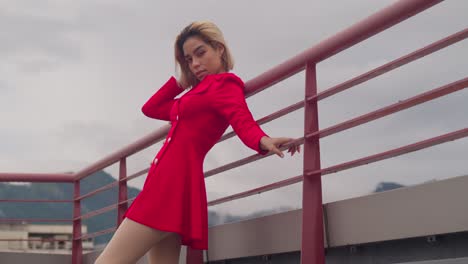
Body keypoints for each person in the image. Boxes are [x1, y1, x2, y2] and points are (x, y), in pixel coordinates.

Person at [94, 20, 300, 264]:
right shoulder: (196, 93)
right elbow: (151, 108)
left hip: (168, 189)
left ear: (219, 48)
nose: (195, 64)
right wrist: (183, 80)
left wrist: (263, 139)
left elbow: (241, 119)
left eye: (200, 53)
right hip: (167, 185)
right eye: (188, 59)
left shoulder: (225, 85)